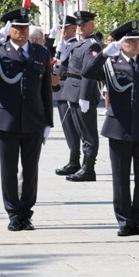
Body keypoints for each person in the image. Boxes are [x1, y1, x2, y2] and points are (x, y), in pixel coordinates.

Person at [0, 8, 54, 231]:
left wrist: (49, 121)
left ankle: (26, 213)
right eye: (18, 28)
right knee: (8, 169)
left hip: (34, 120)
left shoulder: (40, 53)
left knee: (30, 170)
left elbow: (45, 89)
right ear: (9, 30)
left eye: (26, 28)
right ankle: (13, 214)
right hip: (7, 119)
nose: (23, 32)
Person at [82, 20, 139, 237]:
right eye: (129, 40)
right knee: (121, 178)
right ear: (121, 43)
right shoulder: (111, 63)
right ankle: (124, 221)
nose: (135, 44)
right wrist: (104, 54)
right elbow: (87, 72)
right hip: (118, 128)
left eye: (137, 40)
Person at [61, 11, 102, 182]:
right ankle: (81, 165)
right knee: (79, 130)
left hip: (81, 93)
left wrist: (84, 96)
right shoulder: (80, 43)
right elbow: (65, 62)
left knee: (88, 133)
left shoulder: (93, 45)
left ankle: (88, 168)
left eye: (84, 24)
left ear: (92, 25)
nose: (80, 27)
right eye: (78, 25)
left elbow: (89, 73)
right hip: (72, 90)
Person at [51, 15, 81, 176]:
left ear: (73, 29)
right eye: (61, 27)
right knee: (67, 127)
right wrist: (50, 38)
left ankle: (75, 160)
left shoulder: (75, 46)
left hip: (67, 87)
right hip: (59, 89)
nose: (62, 30)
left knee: (72, 127)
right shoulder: (61, 45)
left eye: (65, 27)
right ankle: (74, 158)